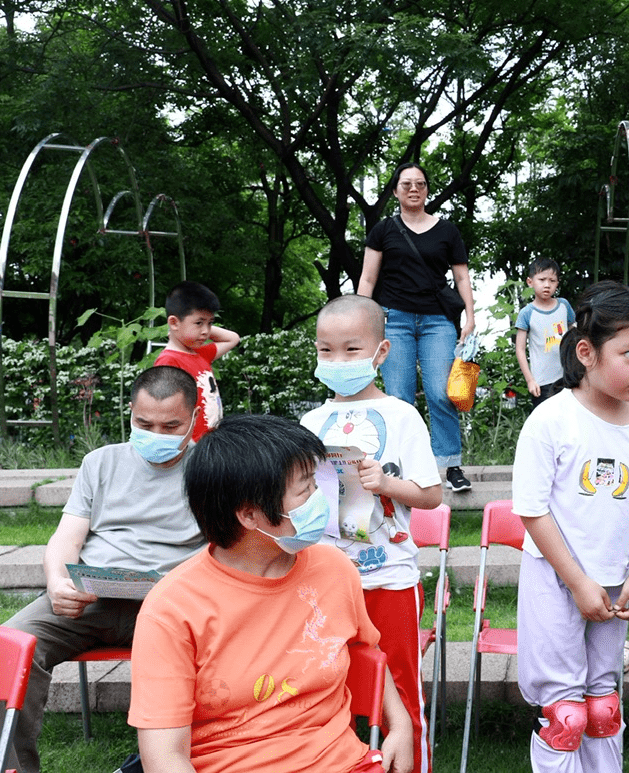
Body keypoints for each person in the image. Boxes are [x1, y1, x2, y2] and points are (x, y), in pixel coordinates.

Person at [128, 414, 413, 772]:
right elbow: (164, 757)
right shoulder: (172, 609)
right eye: (305, 488)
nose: (320, 497)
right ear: (250, 515)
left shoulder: (334, 569)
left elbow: (363, 649)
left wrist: (400, 725)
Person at [0, 367, 205, 773]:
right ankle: (12, 769)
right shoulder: (100, 462)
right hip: (91, 597)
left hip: (175, 606)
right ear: (130, 414)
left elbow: (226, 548)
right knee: (10, 646)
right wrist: (57, 583)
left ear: (194, 417)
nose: (156, 434)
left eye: (170, 425)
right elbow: (65, 538)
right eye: (144, 423)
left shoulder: (212, 468)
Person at [511, 281, 629, 773]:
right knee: (567, 712)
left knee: (602, 705)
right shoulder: (551, 420)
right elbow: (532, 510)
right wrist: (577, 581)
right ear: (587, 352)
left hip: (617, 580)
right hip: (557, 581)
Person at [302, 294, 443, 773]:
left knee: (400, 686)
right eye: (326, 350)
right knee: (329, 685)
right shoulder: (309, 423)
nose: (337, 361)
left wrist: (384, 483)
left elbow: (430, 494)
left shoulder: (402, 416)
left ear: (381, 353)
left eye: (351, 350)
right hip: (324, 580)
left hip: (389, 579)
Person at [358, 162, 476, 493]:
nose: (414, 189)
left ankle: (450, 465)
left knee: (442, 392)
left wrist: (471, 316)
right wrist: (362, 321)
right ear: (396, 190)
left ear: (427, 190)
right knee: (399, 398)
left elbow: (462, 276)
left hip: (438, 321)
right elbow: (368, 278)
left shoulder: (447, 231)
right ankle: (401, 465)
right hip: (393, 320)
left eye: (420, 184)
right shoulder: (383, 230)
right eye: (407, 184)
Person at [153, 280, 240, 440]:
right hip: (190, 447)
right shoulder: (169, 361)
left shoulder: (201, 354)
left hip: (210, 443)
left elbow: (233, 339)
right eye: (199, 323)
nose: (206, 331)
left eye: (210, 323)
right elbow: (165, 410)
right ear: (173, 322)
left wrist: (200, 325)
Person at [515, 257, 576, 407]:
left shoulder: (564, 305)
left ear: (557, 283)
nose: (547, 285)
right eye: (542, 280)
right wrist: (530, 380)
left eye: (552, 281)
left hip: (567, 378)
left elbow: (575, 334)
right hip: (542, 383)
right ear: (530, 282)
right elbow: (520, 349)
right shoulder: (526, 313)